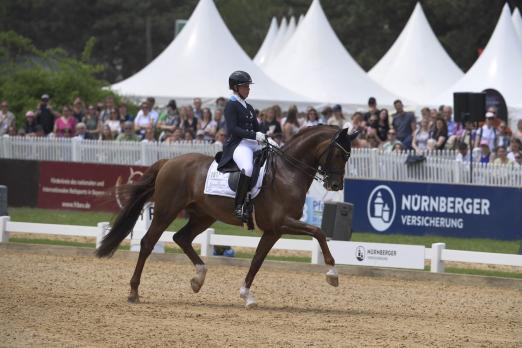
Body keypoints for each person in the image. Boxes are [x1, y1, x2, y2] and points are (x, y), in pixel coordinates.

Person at [217, 71, 274, 220]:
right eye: (245, 86)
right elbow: (232, 129)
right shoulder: (231, 105)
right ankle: (239, 206)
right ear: (235, 87)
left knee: (275, 153)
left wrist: (264, 136)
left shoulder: (248, 106)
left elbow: (256, 127)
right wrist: (254, 135)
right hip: (239, 144)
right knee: (247, 168)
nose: (248, 89)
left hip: (252, 142)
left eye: (248, 86)